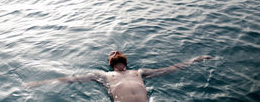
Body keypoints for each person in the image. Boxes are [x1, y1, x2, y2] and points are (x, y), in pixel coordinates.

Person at [26, 51, 212, 102]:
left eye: (116, 52)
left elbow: (171, 68)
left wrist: (195, 60)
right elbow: (72, 79)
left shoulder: (139, 72)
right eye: (112, 53)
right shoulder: (103, 75)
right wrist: (42, 82)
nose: (114, 52)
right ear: (110, 62)